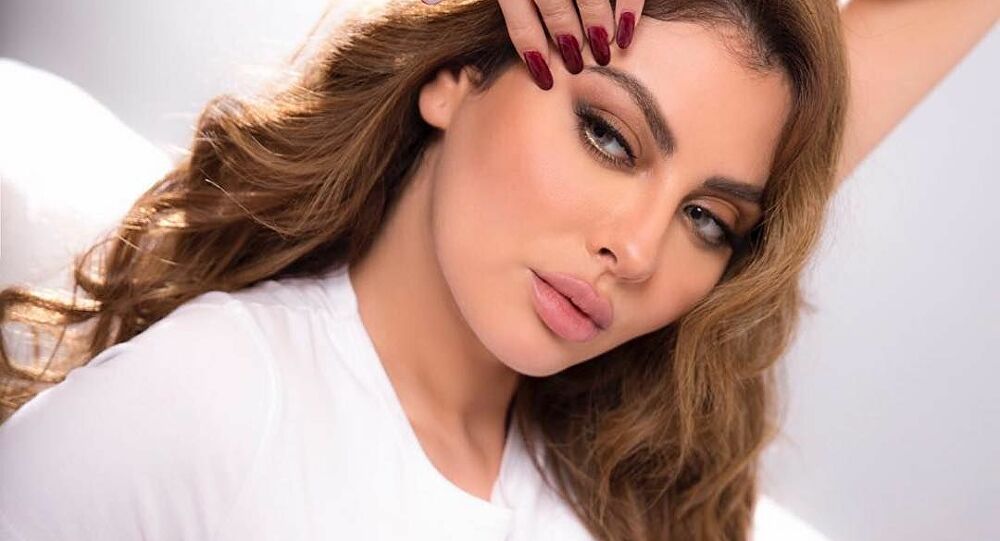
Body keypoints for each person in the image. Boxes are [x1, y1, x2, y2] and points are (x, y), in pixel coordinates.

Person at [0, 0, 994, 539]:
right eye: (608, 137)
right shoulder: (204, 404)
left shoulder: (611, 471)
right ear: (455, 76)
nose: (639, 249)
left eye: (706, 218)